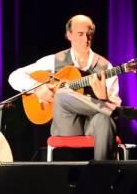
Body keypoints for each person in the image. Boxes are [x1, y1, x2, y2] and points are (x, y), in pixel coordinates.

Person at [8, 15, 122, 160]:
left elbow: (113, 113)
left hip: (92, 125)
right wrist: (36, 88)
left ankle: (100, 177)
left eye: (89, 34)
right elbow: (14, 76)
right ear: (69, 35)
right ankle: (120, 111)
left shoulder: (106, 67)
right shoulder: (54, 61)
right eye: (80, 34)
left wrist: (103, 98)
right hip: (67, 125)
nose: (85, 39)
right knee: (62, 94)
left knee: (105, 120)